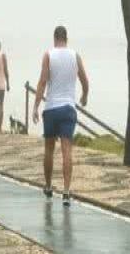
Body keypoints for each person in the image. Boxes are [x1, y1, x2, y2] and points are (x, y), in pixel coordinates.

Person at [32, 26, 89, 206]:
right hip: (68, 109)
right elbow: (85, 81)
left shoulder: (48, 55)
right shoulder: (75, 56)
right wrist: (84, 96)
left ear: (54, 38)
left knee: (49, 149)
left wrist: (35, 106)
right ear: (66, 38)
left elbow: (42, 82)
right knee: (67, 150)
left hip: (51, 108)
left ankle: (48, 186)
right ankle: (66, 191)